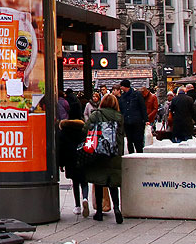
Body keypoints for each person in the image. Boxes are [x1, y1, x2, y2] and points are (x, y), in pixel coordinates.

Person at [84, 94, 125, 223]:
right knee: (112, 182)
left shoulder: (96, 115)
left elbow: (86, 129)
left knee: (99, 181)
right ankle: (117, 208)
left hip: (99, 151)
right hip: (114, 153)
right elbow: (122, 135)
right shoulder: (119, 116)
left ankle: (99, 212)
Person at [58, 115, 89, 217]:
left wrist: (61, 164)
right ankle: (85, 198)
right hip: (82, 158)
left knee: (75, 183)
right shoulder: (82, 131)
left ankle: (77, 206)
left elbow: (60, 149)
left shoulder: (63, 133)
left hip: (70, 160)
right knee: (84, 181)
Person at [118, 80, 147, 153]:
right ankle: (131, 154)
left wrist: (146, 120)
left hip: (137, 121)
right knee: (129, 140)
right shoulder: (122, 97)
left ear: (124, 86)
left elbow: (143, 107)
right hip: (127, 121)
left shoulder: (137, 94)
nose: (121, 88)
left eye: (121, 86)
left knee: (138, 140)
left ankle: (139, 153)